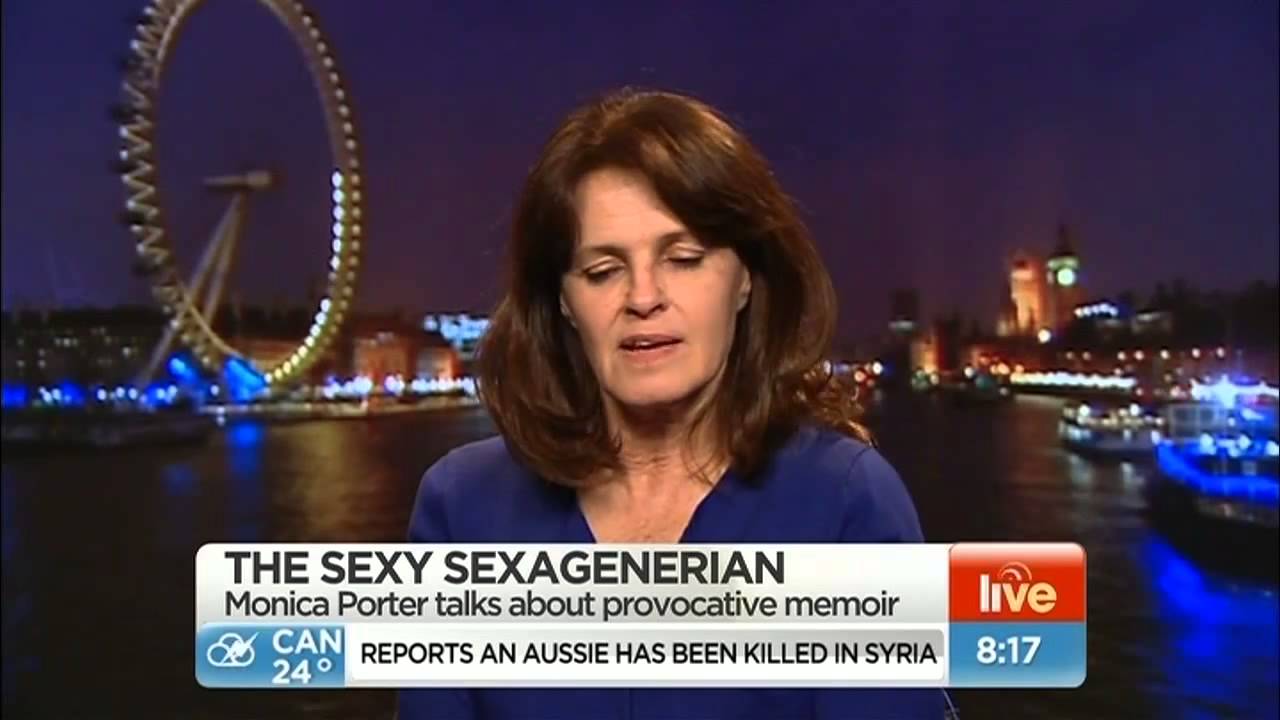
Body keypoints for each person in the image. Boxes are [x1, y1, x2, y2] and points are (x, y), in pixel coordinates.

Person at [400, 87, 945, 719]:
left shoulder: (848, 505)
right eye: (603, 271)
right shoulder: (461, 509)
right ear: (563, 302)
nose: (643, 297)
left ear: (746, 279)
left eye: (683, 259)